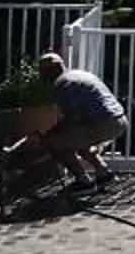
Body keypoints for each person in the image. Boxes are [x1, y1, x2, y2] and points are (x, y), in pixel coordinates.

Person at [13, 51, 125, 193]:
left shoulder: (62, 84)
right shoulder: (80, 74)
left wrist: (49, 134)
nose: (41, 77)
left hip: (102, 124)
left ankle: (84, 182)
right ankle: (104, 174)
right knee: (78, 141)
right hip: (118, 120)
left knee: (55, 143)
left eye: (42, 72)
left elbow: (73, 118)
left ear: (50, 71)